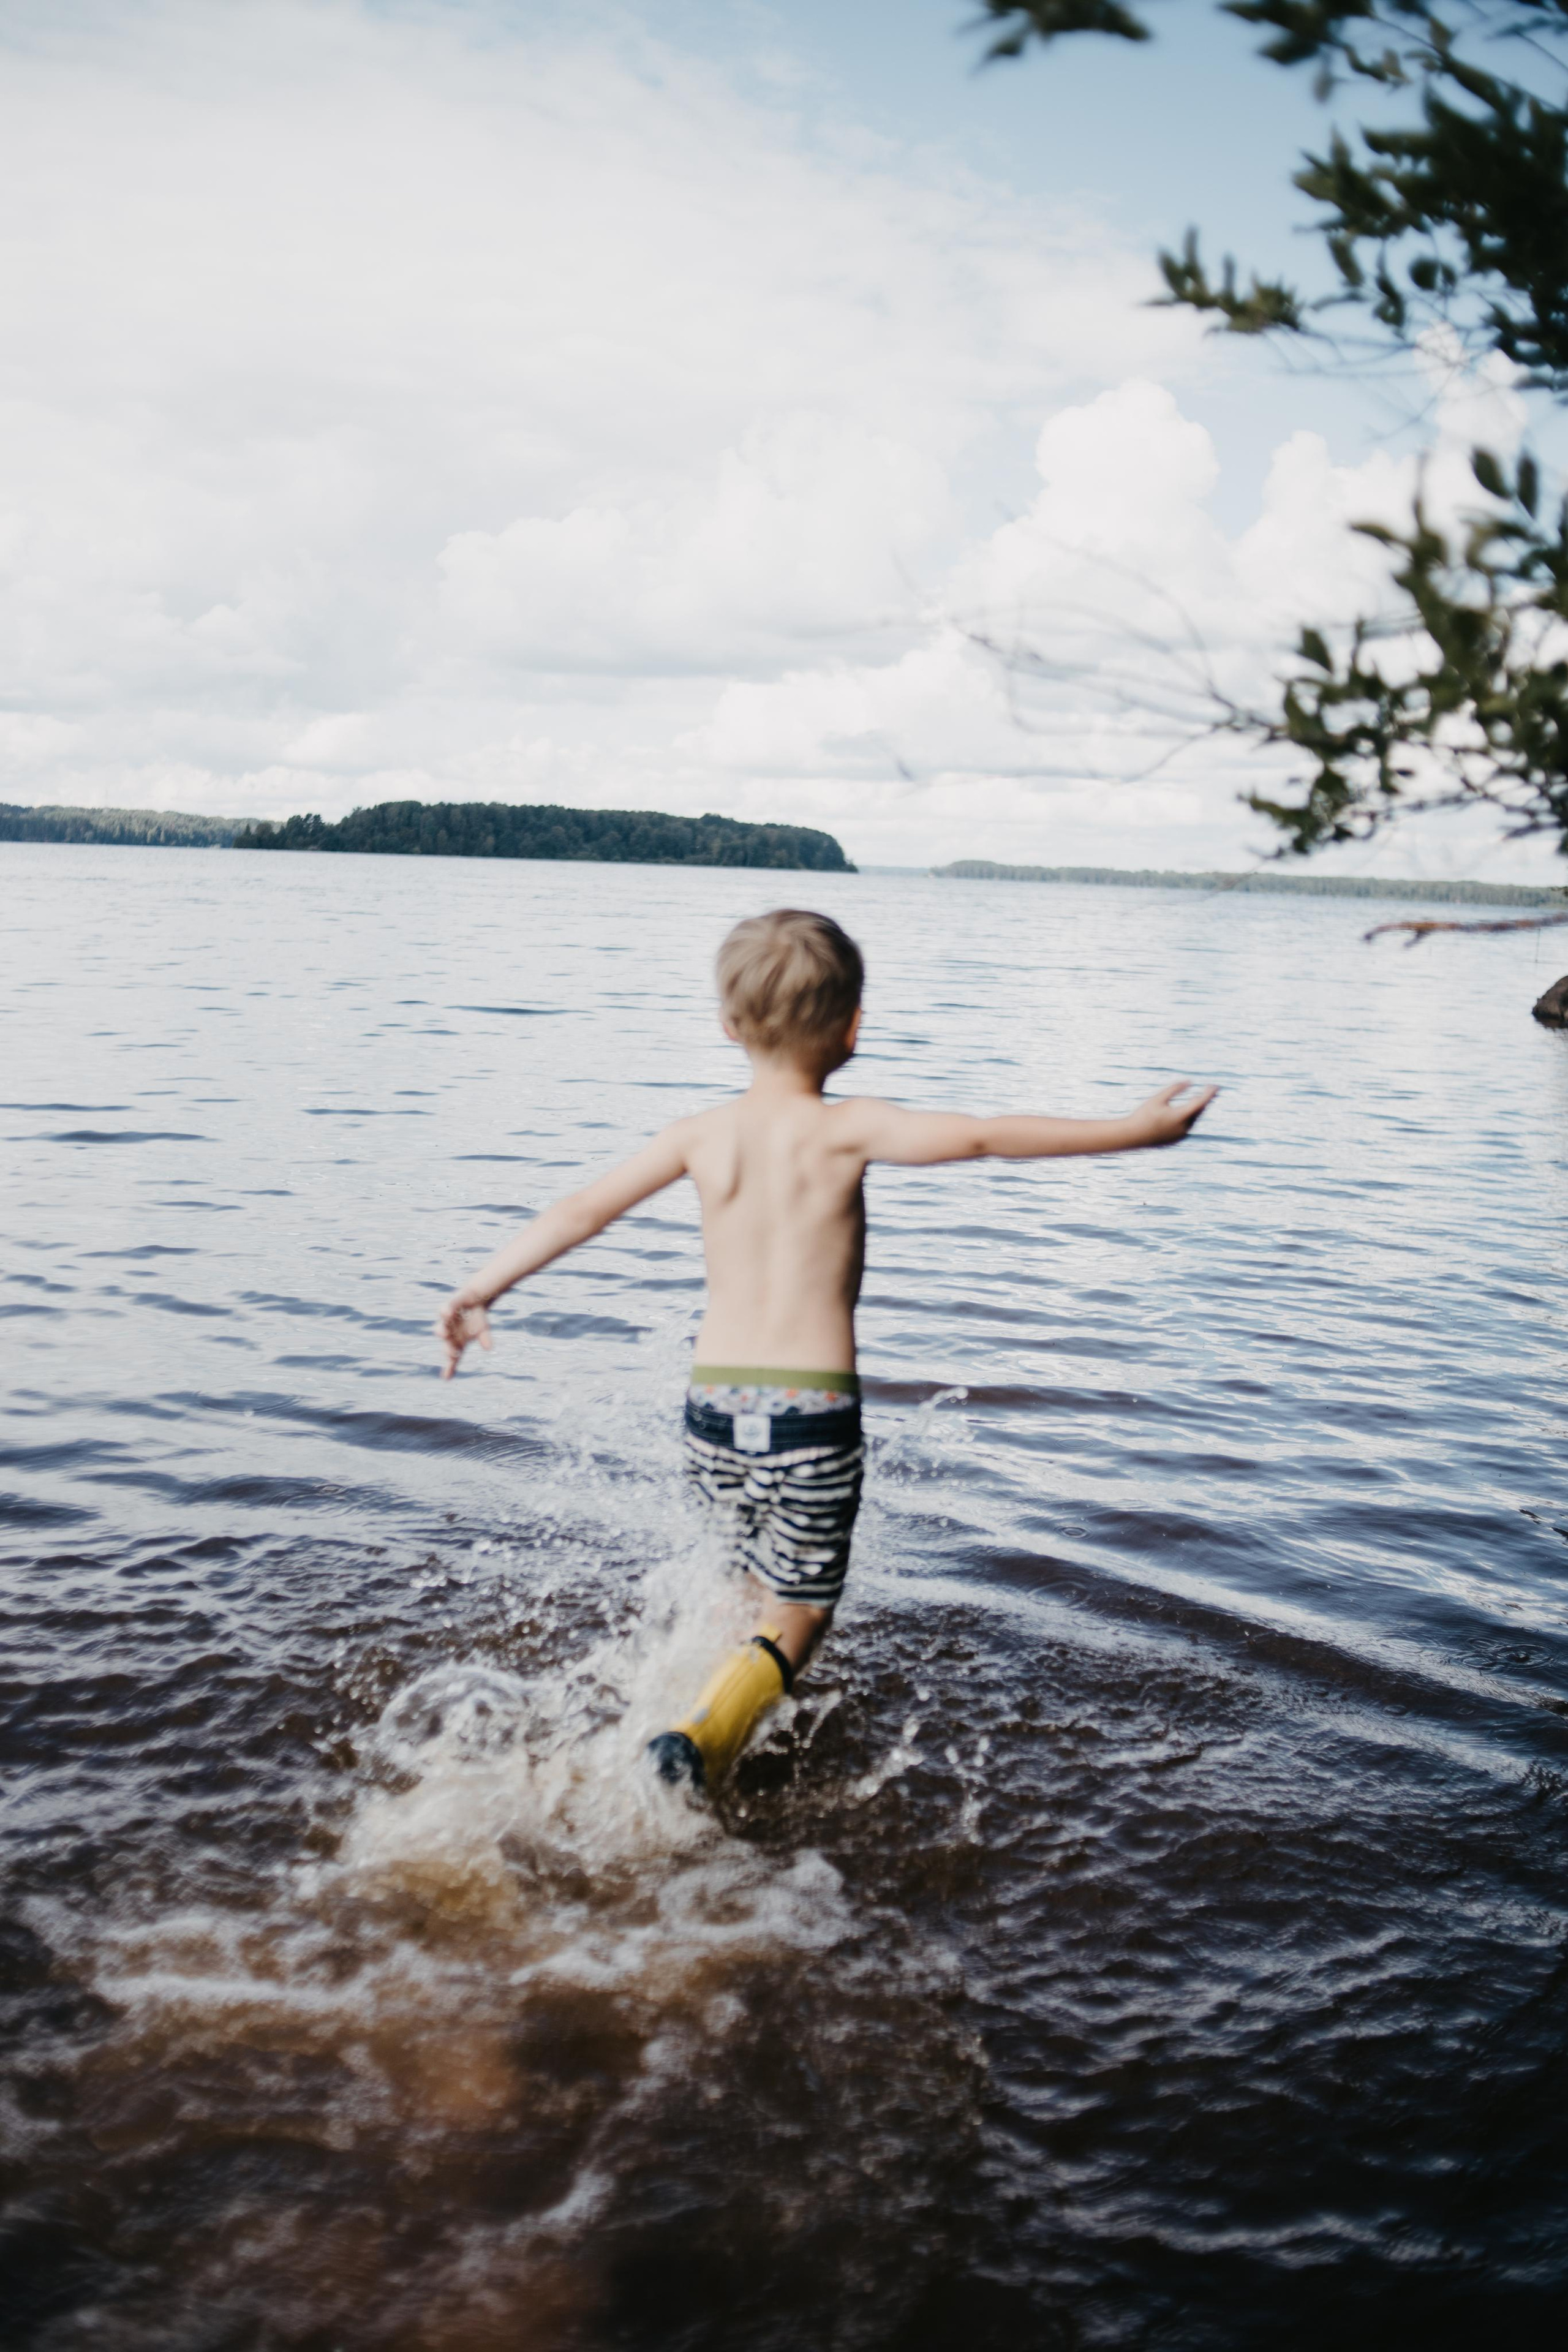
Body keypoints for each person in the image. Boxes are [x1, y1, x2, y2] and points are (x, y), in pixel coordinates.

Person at [435, 908, 1215, 1795]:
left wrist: (481, 1289)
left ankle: (715, 1699)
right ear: (852, 1028)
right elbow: (987, 1136)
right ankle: (703, 1735)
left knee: (739, 1576)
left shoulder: (697, 1135)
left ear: (728, 1026)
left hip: (713, 1411)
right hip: (812, 1415)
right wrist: (1134, 1130)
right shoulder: (849, 1129)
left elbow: (581, 1211)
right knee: (802, 1604)